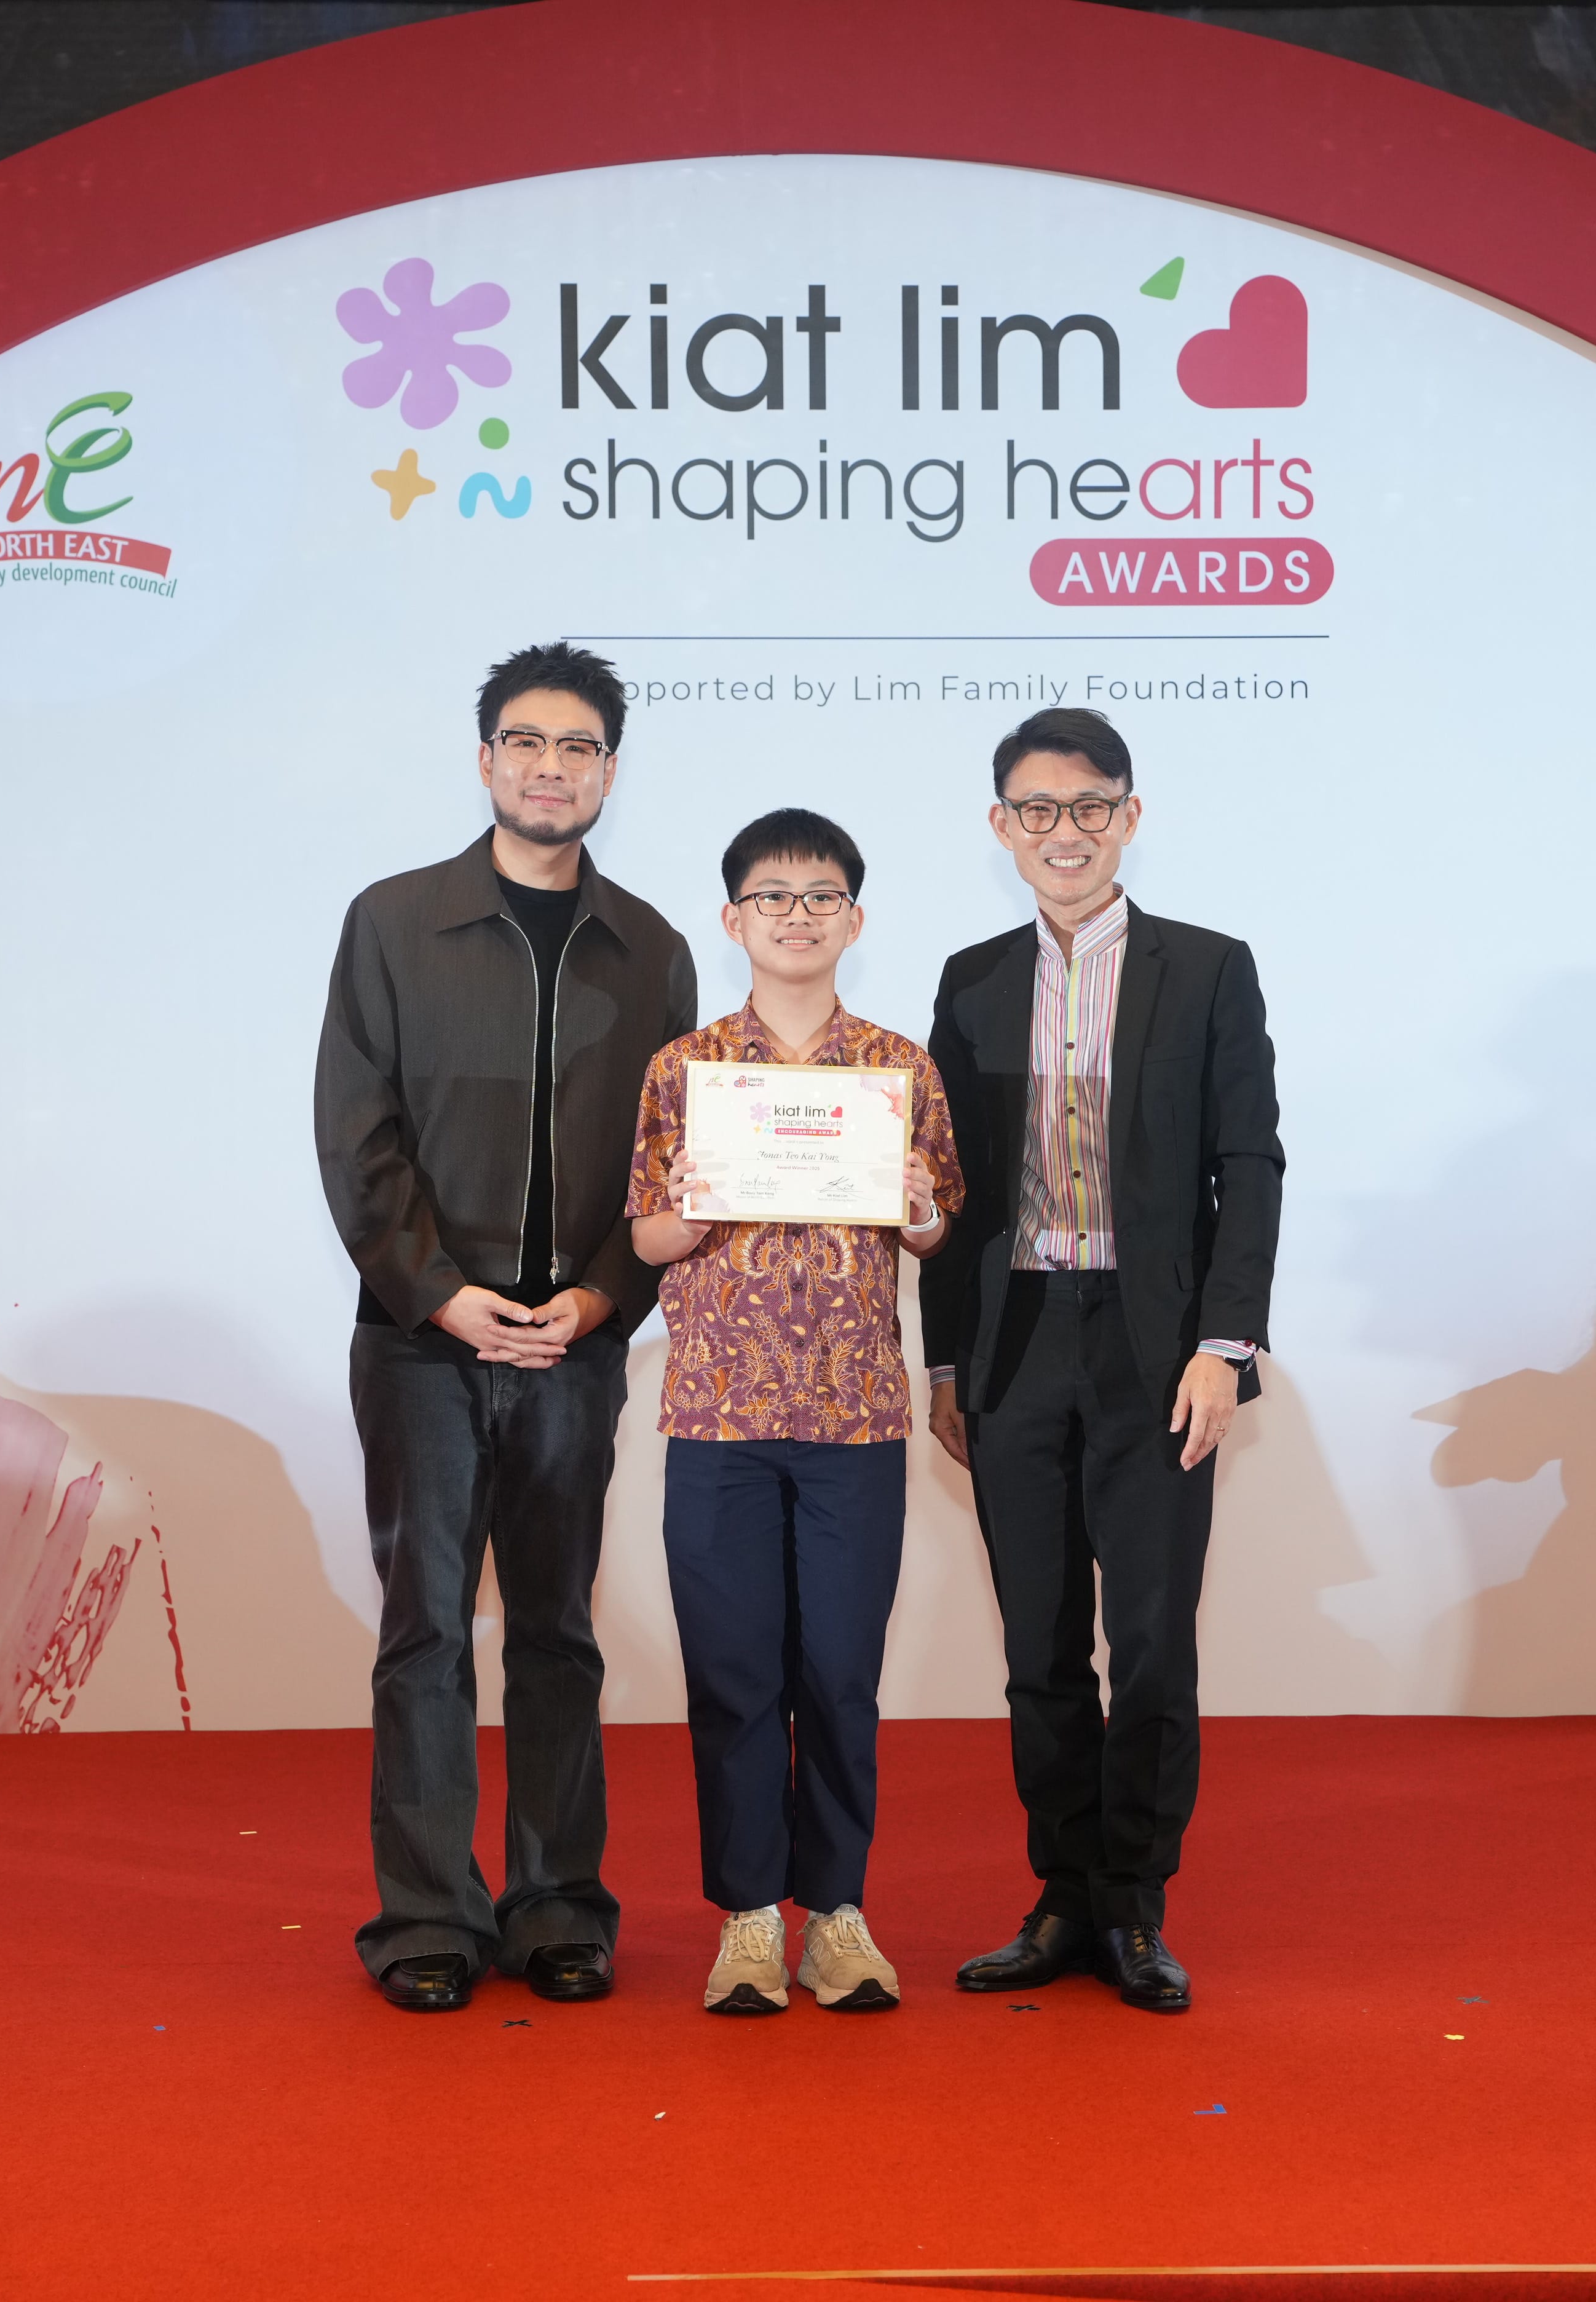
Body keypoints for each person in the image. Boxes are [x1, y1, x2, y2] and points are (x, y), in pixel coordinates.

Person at [314, 640, 697, 2014]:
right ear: (486, 759)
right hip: (424, 1340)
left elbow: (671, 1165)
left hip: (575, 1347)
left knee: (556, 1632)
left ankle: (557, 1908)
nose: (552, 768)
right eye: (527, 743)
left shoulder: (652, 949)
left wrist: (600, 1299)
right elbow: (356, 1135)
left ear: (610, 771)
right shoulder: (393, 922)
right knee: (424, 1631)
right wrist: (438, 1291)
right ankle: (426, 1915)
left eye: (579, 747)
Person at [921, 708, 1282, 2014]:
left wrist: (1222, 1347)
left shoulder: (1209, 968)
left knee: (1152, 1645)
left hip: (1154, 1347)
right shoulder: (970, 979)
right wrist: (946, 1364)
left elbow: (1248, 1165)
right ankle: (1063, 1898)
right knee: (1038, 1649)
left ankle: (1134, 1906)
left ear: (1129, 817)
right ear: (1001, 825)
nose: (1062, 832)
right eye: (1037, 810)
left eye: (1088, 808)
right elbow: (950, 1187)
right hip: (1015, 1341)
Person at [626, 809, 963, 2014]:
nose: (797, 916)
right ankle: (750, 1920)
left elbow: (935, 1230)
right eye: (772, 896)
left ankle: (839, 1916)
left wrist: (916, 1204)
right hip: (718, 1417)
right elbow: (647, 1237)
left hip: (854, 1420)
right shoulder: (686, 1069)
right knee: (733, 1677)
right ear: (734, 921)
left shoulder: (897, 1069)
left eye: (822, 896)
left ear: (855, 921)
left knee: (838, 1676)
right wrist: (693, 1208)